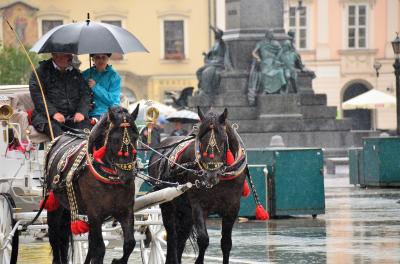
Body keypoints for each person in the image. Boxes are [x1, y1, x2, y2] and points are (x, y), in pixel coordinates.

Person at [29, 53, 91, 138]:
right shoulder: (40, 73)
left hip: (73, 117)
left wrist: (81, 112)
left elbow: (85, 94)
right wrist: (54, 113)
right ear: (56, 56)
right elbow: (38, 97)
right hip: (46, 117)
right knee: (60, 136)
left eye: (70, 55)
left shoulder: (75, 73)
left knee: (87, 133)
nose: (71, 57)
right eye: (67, 55)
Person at [82, 53, 121, 120]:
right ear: (93, 59)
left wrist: (95, 87)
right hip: (85, 114)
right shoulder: (85, 74)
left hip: (105, 115)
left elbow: (113, 101)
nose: (101, 60)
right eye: (97, 57)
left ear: (108, 59)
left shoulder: (114, 76)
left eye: (103, 57)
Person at [196, 26, 232, 96]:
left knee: (207, 72)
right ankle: (202, 87)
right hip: (212, 62)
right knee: (199, 71)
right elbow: (212, 54)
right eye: (215, 34)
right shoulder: (215, 43)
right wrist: (206, 55)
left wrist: (213, 30)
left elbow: (220, 39)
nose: (214, 36)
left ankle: (207, 91)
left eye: (216, 34)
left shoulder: (222, 43)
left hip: (219, 62)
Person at [249, 30, 286, 95]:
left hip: (274, 61)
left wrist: (277, 58)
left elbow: (281, 50)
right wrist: (258, 58)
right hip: (265, 62)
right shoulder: (261, 43)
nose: (272, 35)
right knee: (265, 73)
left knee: (280, 71)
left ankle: (279, 89)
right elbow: (253, 52)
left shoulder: (275, 43)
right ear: (267, 35)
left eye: (273, 34)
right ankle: (267, 90)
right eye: (271, 34)